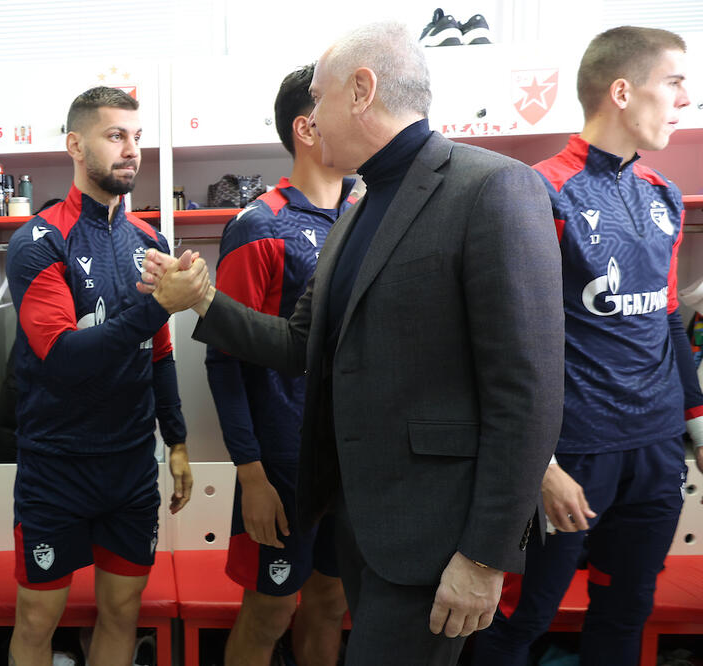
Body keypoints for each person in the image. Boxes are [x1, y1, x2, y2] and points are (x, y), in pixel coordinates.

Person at [140, 22, 566, 665]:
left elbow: (528, 394)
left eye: (318, 97)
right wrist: (201, 302)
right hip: (362, 527)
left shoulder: (493, 188)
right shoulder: (360, 212)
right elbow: (299, 342)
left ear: (362, 90)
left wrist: (485, 556)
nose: (309, 117)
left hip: (438, 542)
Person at [472, 26, 702, 666]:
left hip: (654, 455)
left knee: (625, 613)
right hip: (569, 456)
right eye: (676, 82)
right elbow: (496, 341)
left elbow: (669, 318)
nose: (687, 99)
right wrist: (538, 465)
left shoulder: (663, 197)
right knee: (517, 620)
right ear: (623, 91)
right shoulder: (538, 191)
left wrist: (696, 423)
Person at [6, 86, 193, 666]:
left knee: (122, 611)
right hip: (55, 466)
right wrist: (161, 304)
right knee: (38, 618)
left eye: (137, 137)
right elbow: (62, 358)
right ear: (75, 144)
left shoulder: (150, 242)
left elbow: (159, 353)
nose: (131, 149)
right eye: (115, 135)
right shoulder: (37, 241)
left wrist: (178, 441)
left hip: (131, 467)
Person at [205, 64, 354, 666]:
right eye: (349, 107)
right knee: (270, 609)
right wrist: (251, 473)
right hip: (282, 466)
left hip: (350, 461)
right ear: (308, 127)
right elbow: (225, 359)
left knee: (330, 602)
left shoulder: (364, 220)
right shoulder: (258, 227)